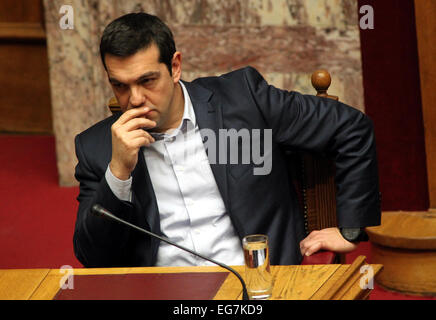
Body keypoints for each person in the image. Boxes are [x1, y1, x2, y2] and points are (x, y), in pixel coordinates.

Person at [73, 12, 381, 268]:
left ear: (175, 66)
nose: (135, 99)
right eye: (120, 85)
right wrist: (118, 173)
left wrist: (351, 229)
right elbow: (95, 259)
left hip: (257, 285)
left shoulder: (243, 101)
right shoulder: (97, 148)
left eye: (147, 80)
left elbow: (351, 127)